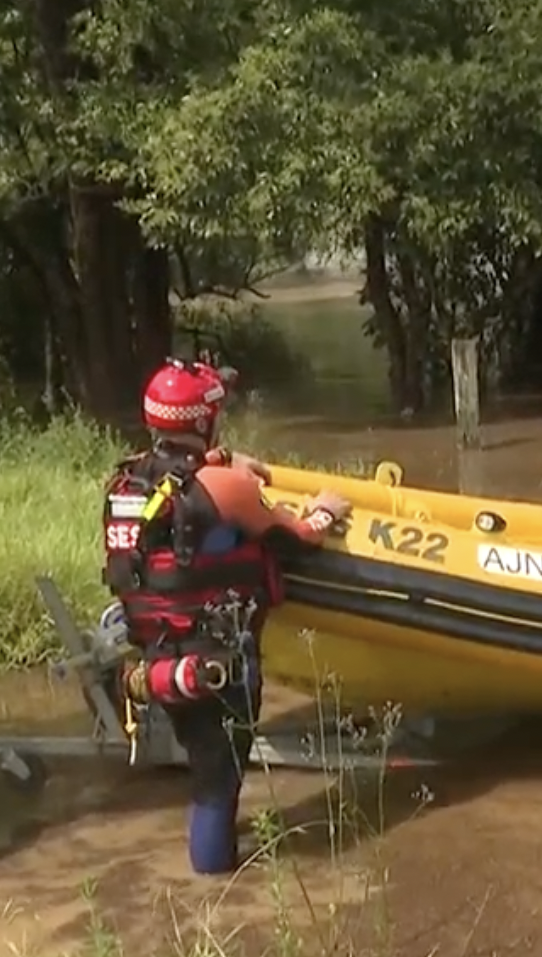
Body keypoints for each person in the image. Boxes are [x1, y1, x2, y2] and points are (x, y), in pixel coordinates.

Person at [100, 357, 353, 876]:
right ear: (202, 420)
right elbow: (299, 539)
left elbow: (179, 497)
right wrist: (325, 510)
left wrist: (223, 459)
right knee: (218, 784)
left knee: (204, 763)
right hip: (220, 661)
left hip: (156, 656)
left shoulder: (124, 485)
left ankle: (214, 854)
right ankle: (215, 889)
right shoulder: (227, 489)